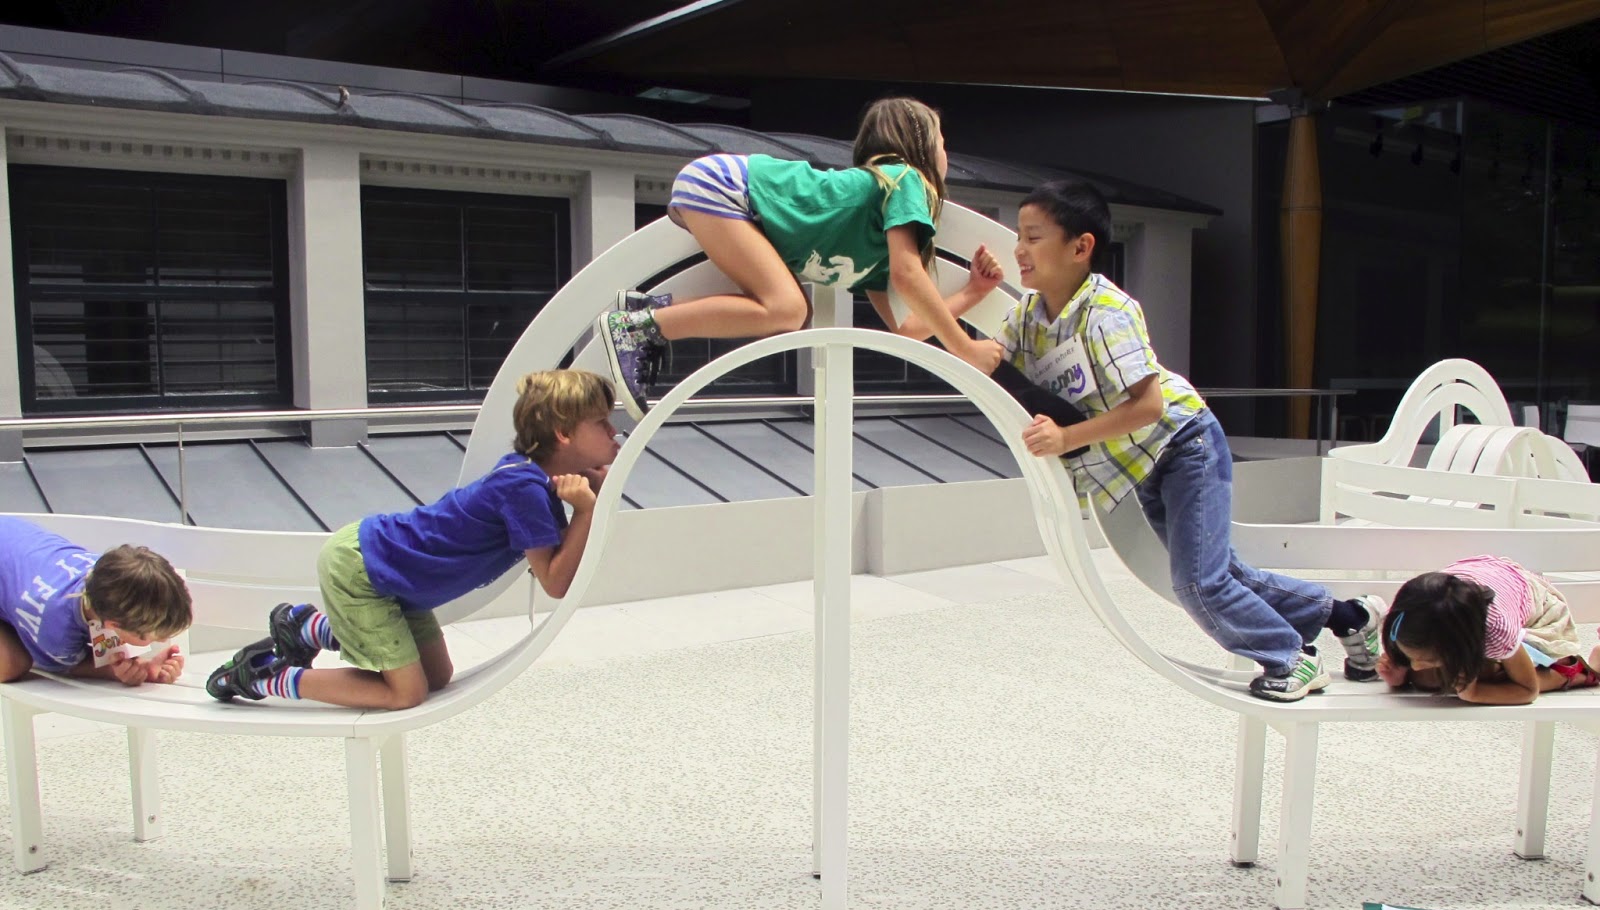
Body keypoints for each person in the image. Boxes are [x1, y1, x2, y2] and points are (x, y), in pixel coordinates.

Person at [989, 177, 1386, 701]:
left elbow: (1149, 406)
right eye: (1019, 235)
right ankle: (1350, 616)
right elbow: (986, 360)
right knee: (1223, 574)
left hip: (1183, 443)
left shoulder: (1107, 311)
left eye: (1033, 236)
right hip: (1143, 460)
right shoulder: (1028, 316)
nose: (1018, 249)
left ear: (1081, 247)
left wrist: (1066, 437)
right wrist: (958, 298)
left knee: (1200, 584)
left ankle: (1290, 656)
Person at [205, 370, 620, 711]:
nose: (613, 431)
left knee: (437, 677)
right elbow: (555, 581)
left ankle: (307, 628)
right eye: (601, 422)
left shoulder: (534, 479)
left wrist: (590, 499)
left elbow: (562, 556)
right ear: (563, 433)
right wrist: (587, 511)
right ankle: (264, 676)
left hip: (397, 577)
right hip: (365, 568)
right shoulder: (524, 488)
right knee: (406, 694)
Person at [598, 96, 1005, 419]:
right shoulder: (904, 178)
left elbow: (906, 329)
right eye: (943, 142)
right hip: (725, 187)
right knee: (788, 309)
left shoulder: (876, 237)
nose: (947, 154)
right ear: (921, 148)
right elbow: (909, 274)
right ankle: (639, 328)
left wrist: (973, 292)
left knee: (792, 310)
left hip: (725, 191)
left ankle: (650, 312)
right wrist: (964, 350)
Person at [1377, 556, 1600, 704]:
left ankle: (1573, 673)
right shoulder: (1409, 616)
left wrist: (1475, 693)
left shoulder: (1497, 630)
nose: (1415, 665)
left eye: (1426, 659)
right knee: (1430, 679)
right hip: (1480, 591)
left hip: (1538, 606)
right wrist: (1400, 673)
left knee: (1484, 675)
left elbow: (1527, 690)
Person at [0, 517, 190, 686]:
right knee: (12, 663)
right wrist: (115, 671)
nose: (163, 640)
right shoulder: (57, 630)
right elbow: (69, 667)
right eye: (154, 637)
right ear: (112, 625)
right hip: (26, 582)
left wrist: (142, 666)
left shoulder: (110, 575)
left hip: (10, 535)